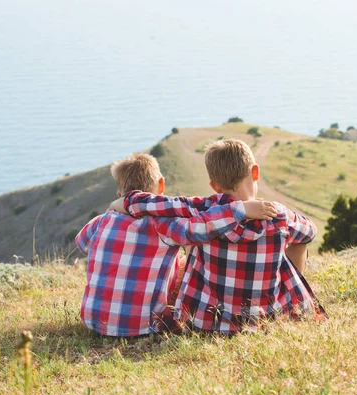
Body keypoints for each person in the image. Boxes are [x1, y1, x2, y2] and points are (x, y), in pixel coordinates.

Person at [111, 139, 325, 334]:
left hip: (204, 322)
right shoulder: (279, 215)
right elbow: (310, 232)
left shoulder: (203, 210)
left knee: (196, 237)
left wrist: (123, 202)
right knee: (296, 241)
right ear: (255, 172)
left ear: (214, 185)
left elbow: (158, 203)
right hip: (263, 322)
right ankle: (295, 307)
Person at [75, 153, 276, 337]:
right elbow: (199, 229)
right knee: (184, 262)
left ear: (120, 195)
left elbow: (83, 243)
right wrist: (240, 210)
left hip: (91, 321)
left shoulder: (101, 221)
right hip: (145, 326)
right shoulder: (163, 224)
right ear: (161, 185)